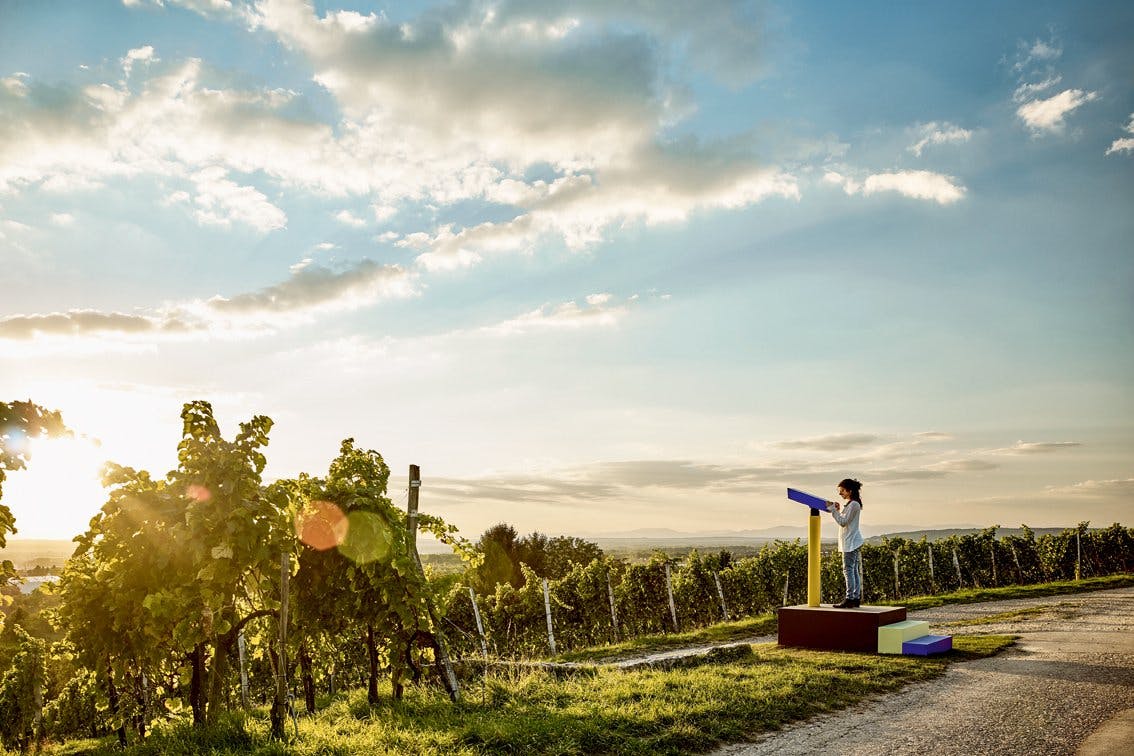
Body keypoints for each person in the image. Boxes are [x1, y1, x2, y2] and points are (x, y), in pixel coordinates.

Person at [826, 478, 864, 608]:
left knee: (848, 570)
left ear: (849, 491)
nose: (840, 493)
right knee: (853, 570)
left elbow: (843, 522)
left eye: (842, 490)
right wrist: (838, 509)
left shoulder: (853, 505)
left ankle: (850, 598)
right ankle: (855, 597)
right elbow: (844, 519)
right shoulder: (851, 504)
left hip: (850, 542)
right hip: (851, 541)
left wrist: (833, 510)